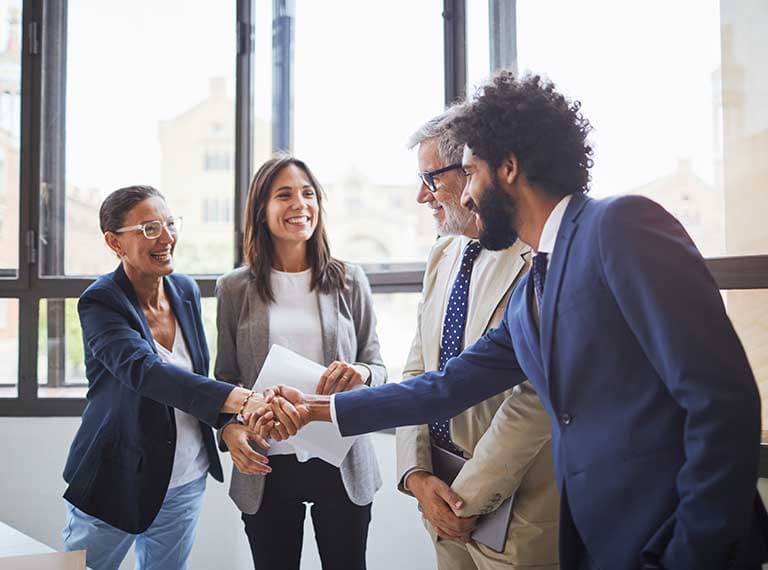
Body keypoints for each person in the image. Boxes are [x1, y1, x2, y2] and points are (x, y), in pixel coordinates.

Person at [263, 72, 768, 570]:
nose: (463, 196)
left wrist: (691, 553)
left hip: (673, 540)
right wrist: (316, 408)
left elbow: (723, 403)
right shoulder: (535, 287)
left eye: (471, 173)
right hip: (599, 545)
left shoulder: (620, 227)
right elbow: (444, 387)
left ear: (508, 167)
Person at [62, 185, 273, 570]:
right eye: (149, 228)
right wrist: (240, 399)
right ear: (115, 243)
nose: (166, 237)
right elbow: (144, 371)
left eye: (169, 224)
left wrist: (227, 422)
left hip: (185, 479)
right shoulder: (101, 302)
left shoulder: (185, 289)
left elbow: (197, 378)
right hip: (117, 477)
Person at [397, 110, 559, 569]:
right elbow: (418, 372)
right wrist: (416, 474)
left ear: (473, 171)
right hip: (438, 497)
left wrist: (465, 499)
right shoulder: (443, 253)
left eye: (431, 179)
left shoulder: (537, 259)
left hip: (518, 509)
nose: (420, 196)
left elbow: (534, 401)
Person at [215, 154, 386, 570]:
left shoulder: (348, 279)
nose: (300, 204)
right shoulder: (234, 288)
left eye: (308, 194)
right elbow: (224, 381)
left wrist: (361, 372)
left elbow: (378, 368)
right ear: (262, 209)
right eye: (285, 195)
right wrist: (230, 430)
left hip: (340, 460)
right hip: (266, 462)